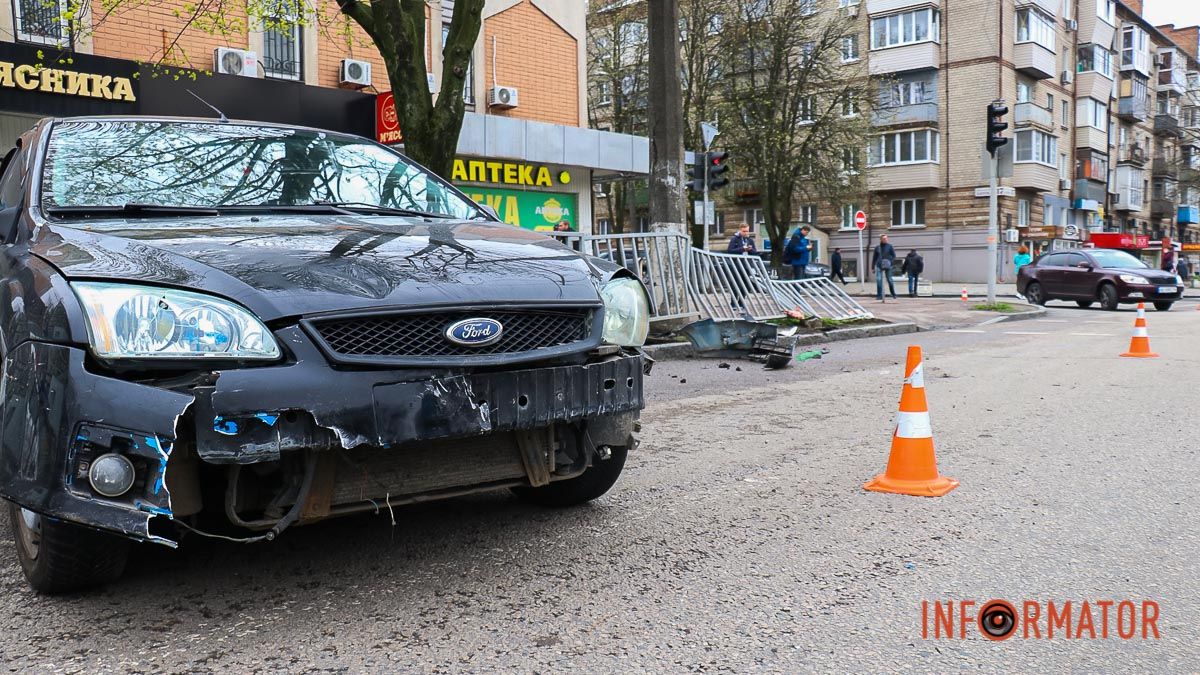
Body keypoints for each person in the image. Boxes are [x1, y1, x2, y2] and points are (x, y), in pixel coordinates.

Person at [872, 234, 897, 301]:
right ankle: (879, 295)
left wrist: (890, 262)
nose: (885, 240)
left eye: (886, 238)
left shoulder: (890, 246)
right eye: (884, 239)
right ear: (881, 239)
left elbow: (894, 256)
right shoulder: (877, 247)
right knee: (879, 279)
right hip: (879, 265)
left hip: (888, 265)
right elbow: (874, 258)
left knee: (890, 280)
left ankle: (893, 294)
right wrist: (872, 267)